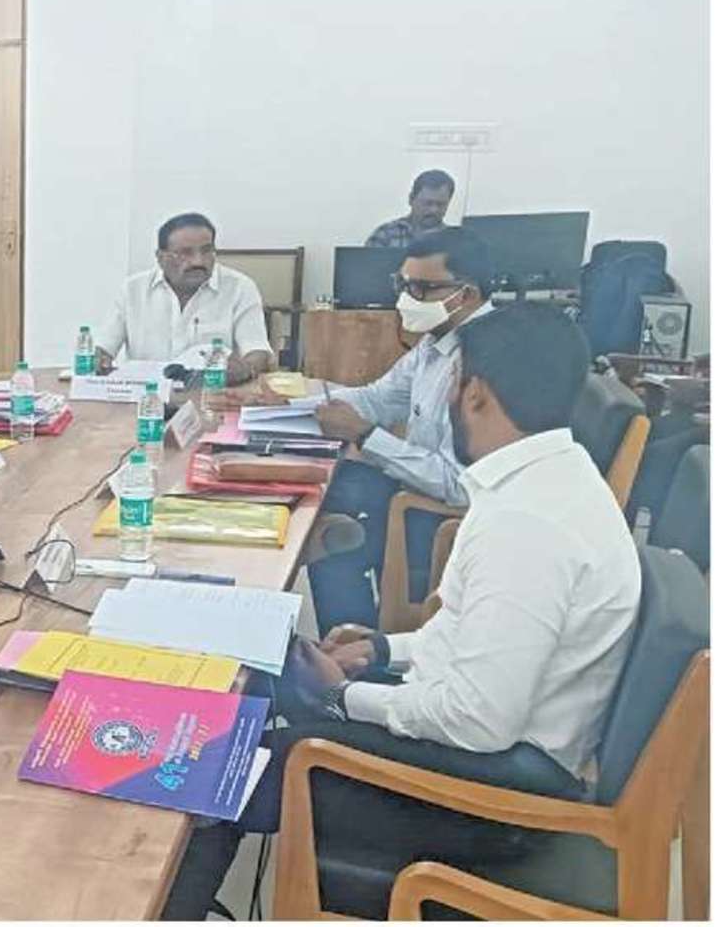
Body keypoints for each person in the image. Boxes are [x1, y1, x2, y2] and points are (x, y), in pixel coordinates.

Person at [162, 302, 640, 920]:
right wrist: (382, 651)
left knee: (229, 768)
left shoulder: (527, 526)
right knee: (262, 687)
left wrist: (343, 698)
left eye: (452, 384)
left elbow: (477, 721)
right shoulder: (552, 485)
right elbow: (476, 636)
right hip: (503, 751)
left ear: (475, 393)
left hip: (497, 802)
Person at [304, 227, 497, 632]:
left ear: (466, 294)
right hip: (417, 485)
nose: (407, 298)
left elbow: (459, 484)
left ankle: (353, 651)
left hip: (446, 514)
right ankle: (352, 643)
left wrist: (365, 435)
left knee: (332, 537)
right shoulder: (437, 339)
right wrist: (293, 404)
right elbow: (378, 398)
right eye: (403, 284)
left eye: (422, 288)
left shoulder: (486, 359)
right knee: (322, 488)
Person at [94, 212, 274, 384]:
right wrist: (98, 360)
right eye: (185, 253)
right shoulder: (133, 290)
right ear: (160, 258)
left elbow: (258, 351)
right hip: (148, 395)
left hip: (213, 394)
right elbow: (103, 348)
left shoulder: (239, 288)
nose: (198, 261)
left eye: (207, 251)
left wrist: (245, 369)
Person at [366, 169, 455, 249]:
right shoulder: (385, 235)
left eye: (441, 204)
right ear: (411, 199)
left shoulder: (454, 242)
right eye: (428, 203)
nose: (434, 210)